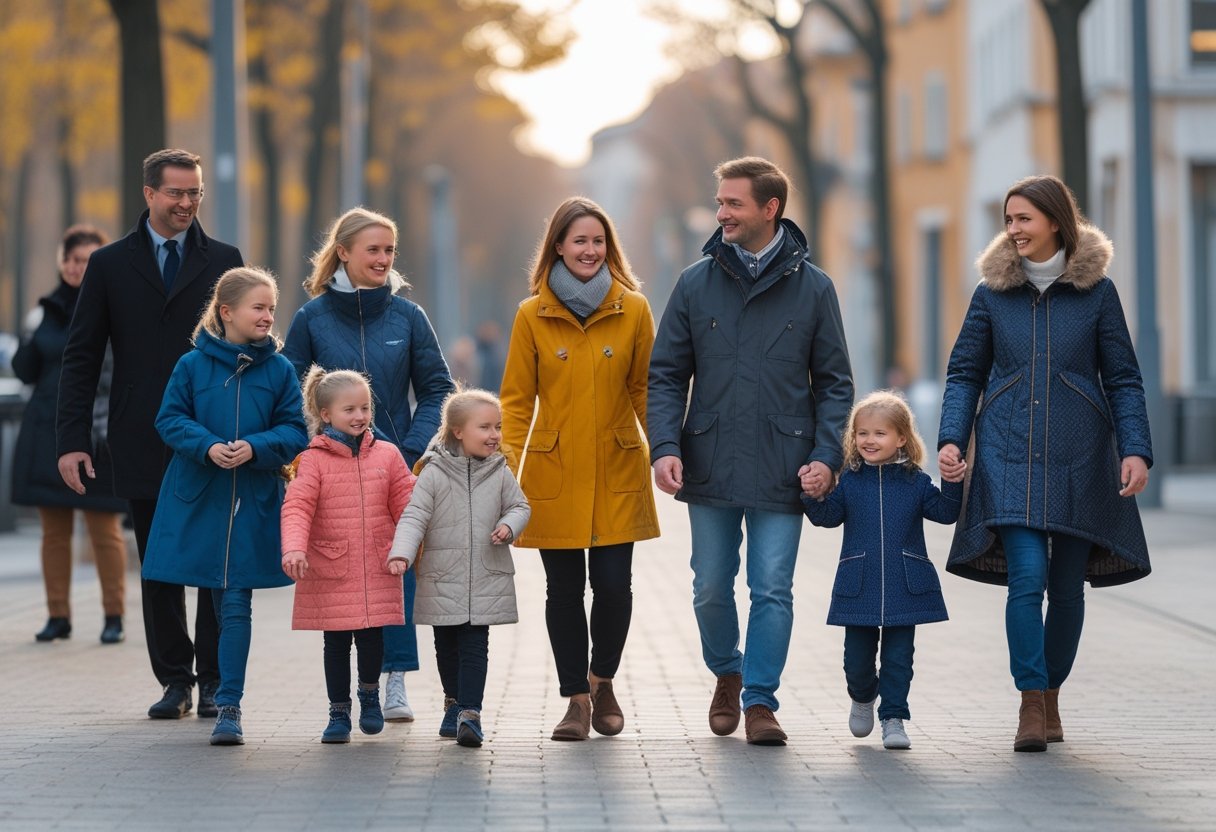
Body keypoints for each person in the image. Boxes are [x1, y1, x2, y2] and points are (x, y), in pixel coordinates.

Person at [937, 174, 1152, 752]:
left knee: (1068, 587)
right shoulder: (991, 295)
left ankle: (1052, 694)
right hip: (1007, 449)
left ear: (1055, 221)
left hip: (1080, 454)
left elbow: (1124, 378)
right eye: (1008, 220)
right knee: (1026, 578)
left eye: (1023, 219)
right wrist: (952, 439)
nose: (1013, 230)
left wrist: (1135, 448)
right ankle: (1031, 701)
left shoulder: (1097, 293)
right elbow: (964, 373)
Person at [648, 157, 854, 745]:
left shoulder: (815, 289)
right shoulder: (694, 283)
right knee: (710, 585)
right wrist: (665, 444)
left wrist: (826, 455)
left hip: (786, 465)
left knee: (772, 587)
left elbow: (836, 383)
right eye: (719, 203)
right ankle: (727, 673)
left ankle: (761, 701)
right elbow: (665, 375)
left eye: (733, 204)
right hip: (708, 459)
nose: (721, 214)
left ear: (771, 209)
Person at [57, 148, 243, 719]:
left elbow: (250, 342)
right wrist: (72, 440)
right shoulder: (110, 265)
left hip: (213, 437)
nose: (187, 204)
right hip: (138, 435)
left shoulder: (226, 260)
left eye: (195, 194)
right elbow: (82, 354)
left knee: (215, 562)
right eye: (176, 193)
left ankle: (214, 681)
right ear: (149, 194)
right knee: (159, 562)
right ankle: (175, 679)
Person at [283, 207, 454, 723]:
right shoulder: (312, 317)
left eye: (389, 251)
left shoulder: (409, 316)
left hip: (395, 464)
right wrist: (308, 447)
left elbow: (438, 389)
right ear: (344, 253)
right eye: (373, 250)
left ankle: (395, 679)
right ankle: (346, 695)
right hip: (333, 467)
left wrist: (408, 450)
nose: (383, 259)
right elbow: (287, 387)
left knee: (395, 567)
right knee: (342, 574)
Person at [500, 197, 659, 741]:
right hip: (553, 471)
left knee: (614, 586)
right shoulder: (531, 314)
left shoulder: (634, 309)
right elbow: (516, 402)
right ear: (559, 248)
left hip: (618, 466)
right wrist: (503, 473)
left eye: (598, 241)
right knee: (562, 592)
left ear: (608, 248)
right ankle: (575, 700)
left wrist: (666, 449)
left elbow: (645, 389)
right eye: (579, 241)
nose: (590, 250)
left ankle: (602, 680)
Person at [141, 268, 307, 745]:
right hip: (199, 498)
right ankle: (193, 686)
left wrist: (255, 447)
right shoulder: (190, 365)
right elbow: (169, 419)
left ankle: (228, 705)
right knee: (213, 593)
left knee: (235, 602)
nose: (268, 316)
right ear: (226, 311)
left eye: (272, 308)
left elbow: (295, 430)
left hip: (251, 501)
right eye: (259, 307)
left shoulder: (278, 370)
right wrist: (208, 445)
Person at [801, 391, 963, 750]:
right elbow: (828, 518)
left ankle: (893, 717)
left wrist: (953, 480)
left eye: (879, 433)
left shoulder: (916, 482)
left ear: (901, 438)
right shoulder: (849, 482)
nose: (869, 440)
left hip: (906, 583)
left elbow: (946, 512)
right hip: (859, 585)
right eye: (862, 433)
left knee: (898, 659)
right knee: (856, 661)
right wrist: (812, 495)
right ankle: (863, 697)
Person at [281, 366, 416, 744]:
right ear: (326, 415)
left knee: (373, 638)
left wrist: (408, 548)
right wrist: (293, 547)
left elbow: (407, 506)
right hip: (331, 566)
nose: (359, 416)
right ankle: (338, 711)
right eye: (349, 410)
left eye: (364, 408)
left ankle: (369, 696)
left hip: (378, 563)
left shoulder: (388, 456)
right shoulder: (311, 460)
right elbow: (297, 507)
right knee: (336, 643)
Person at [388, 388, 530, 748]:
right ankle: (452, 702)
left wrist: (510, 525)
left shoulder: (499, 472)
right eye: (485, 428)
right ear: (458, 431)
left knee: (475, 644)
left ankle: (470, 713)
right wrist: (401, 554)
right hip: (440, 576)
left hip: (484, 575)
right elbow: (414, 516)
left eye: (497, 427)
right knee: (446, 645)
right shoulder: (433, 473)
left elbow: (520, 505)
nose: (494, 435)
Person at [12, 225, 129, 644]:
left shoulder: (115, 305)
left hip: (97, 429)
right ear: (63, 262)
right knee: (53, 531)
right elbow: (26, 370)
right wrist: (31, 328)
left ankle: (113, 615)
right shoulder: (46, 310)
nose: (81, 267)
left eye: (89, 259)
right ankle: (57, 616)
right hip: (47, 429)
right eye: (74, 259)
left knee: (104, 530)